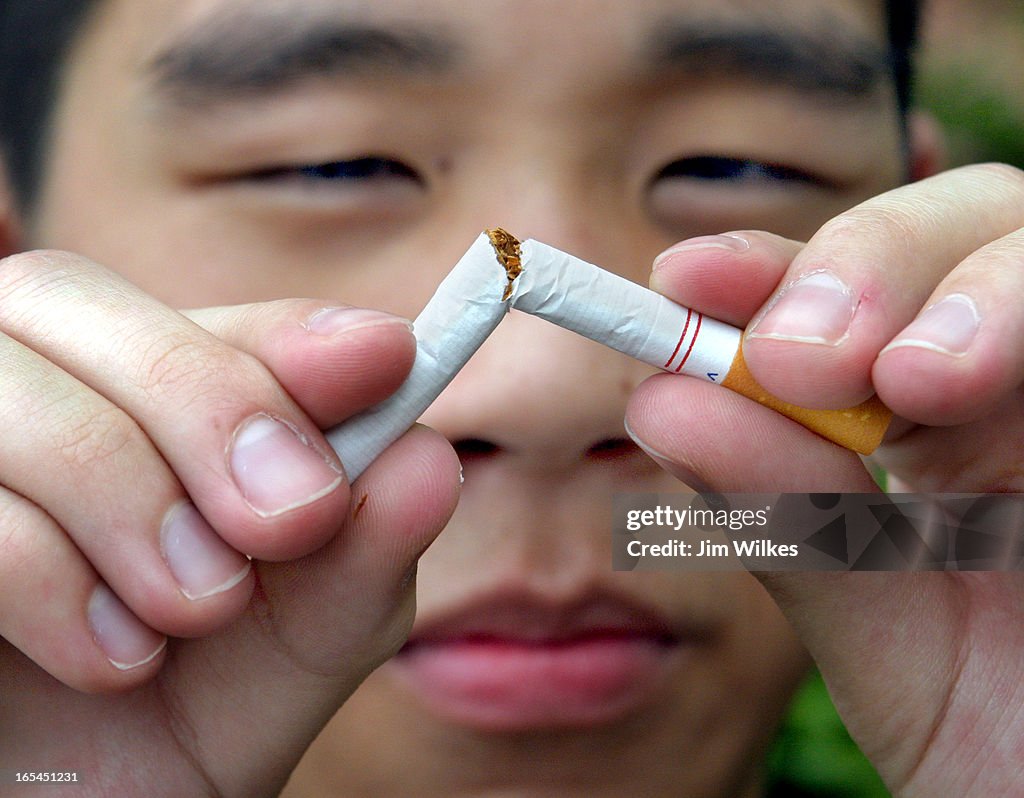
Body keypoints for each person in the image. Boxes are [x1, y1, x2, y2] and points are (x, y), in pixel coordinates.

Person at [0, 1, 1021, 796]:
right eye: (328, 164)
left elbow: (913, 535)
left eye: (733, 162)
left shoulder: (966, 541)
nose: (546, 391)